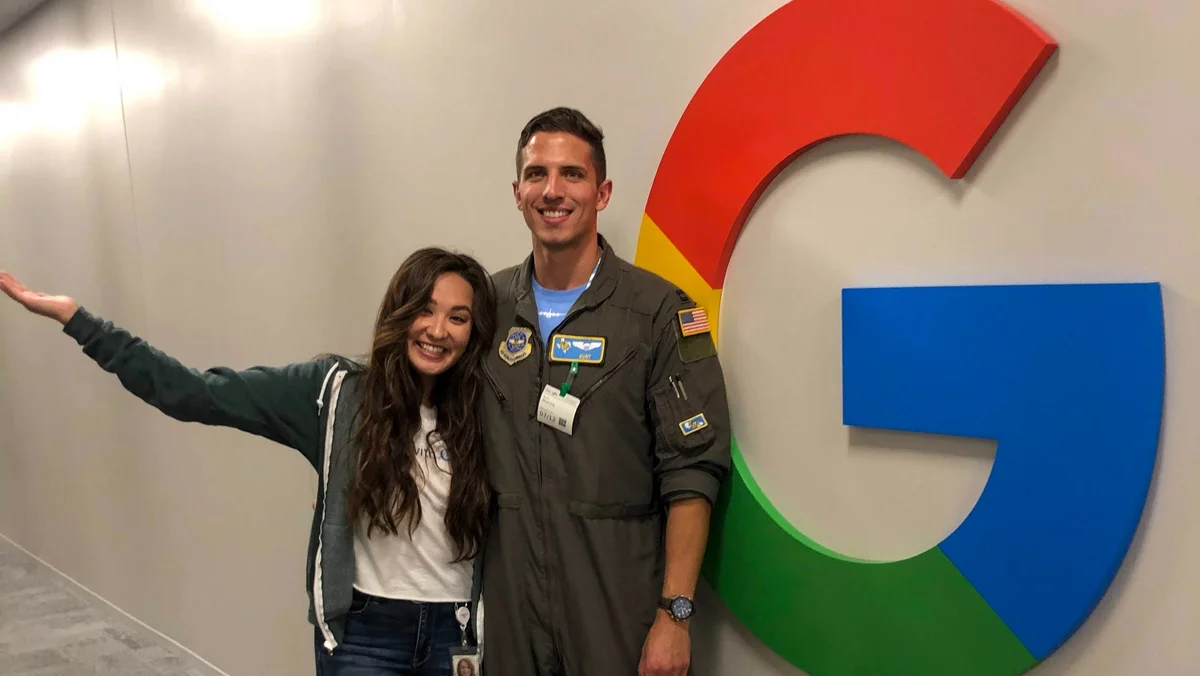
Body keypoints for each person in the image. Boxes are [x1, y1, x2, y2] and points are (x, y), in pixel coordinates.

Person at [0, 247, 496, 676]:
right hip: (366, 632)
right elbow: (193, 393)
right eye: (424, 310)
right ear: (399, 313)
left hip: (456, 634)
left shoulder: (485, 411)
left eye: (457, 317)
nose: (437, 330)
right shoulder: (335, 394)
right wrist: (80, 322)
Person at [477, 107, 732, 676]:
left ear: (603, 191)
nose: (553, 191)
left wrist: (676, 615)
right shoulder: (483, 310)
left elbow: (693, 473)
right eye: (537, 174)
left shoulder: (657, 314)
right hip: (508, 613)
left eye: (572, 174)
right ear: (517, 192)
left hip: (617, 611)